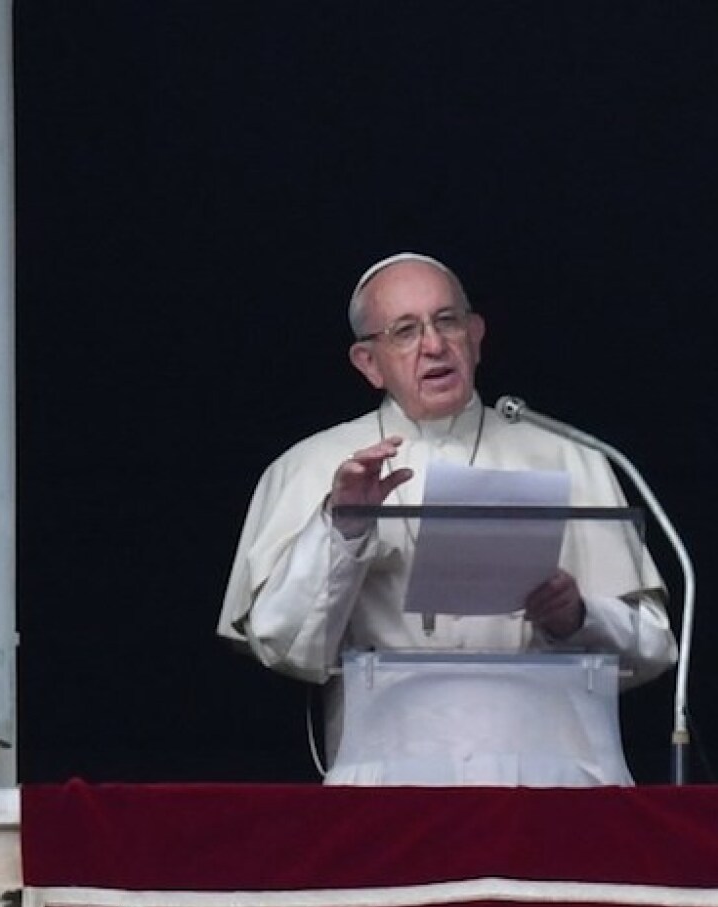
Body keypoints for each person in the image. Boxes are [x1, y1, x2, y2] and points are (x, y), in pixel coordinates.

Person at [217, 252, 677, 786]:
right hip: (389, 784)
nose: (433, 345)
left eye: (447, 321)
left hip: (556, 782)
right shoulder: (310, 466)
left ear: (476, 335)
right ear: (368, 362)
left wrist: (577, 617)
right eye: (405, 331)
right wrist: (344, 527)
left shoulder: (571, 456)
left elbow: (653, 647)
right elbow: (286, 646)